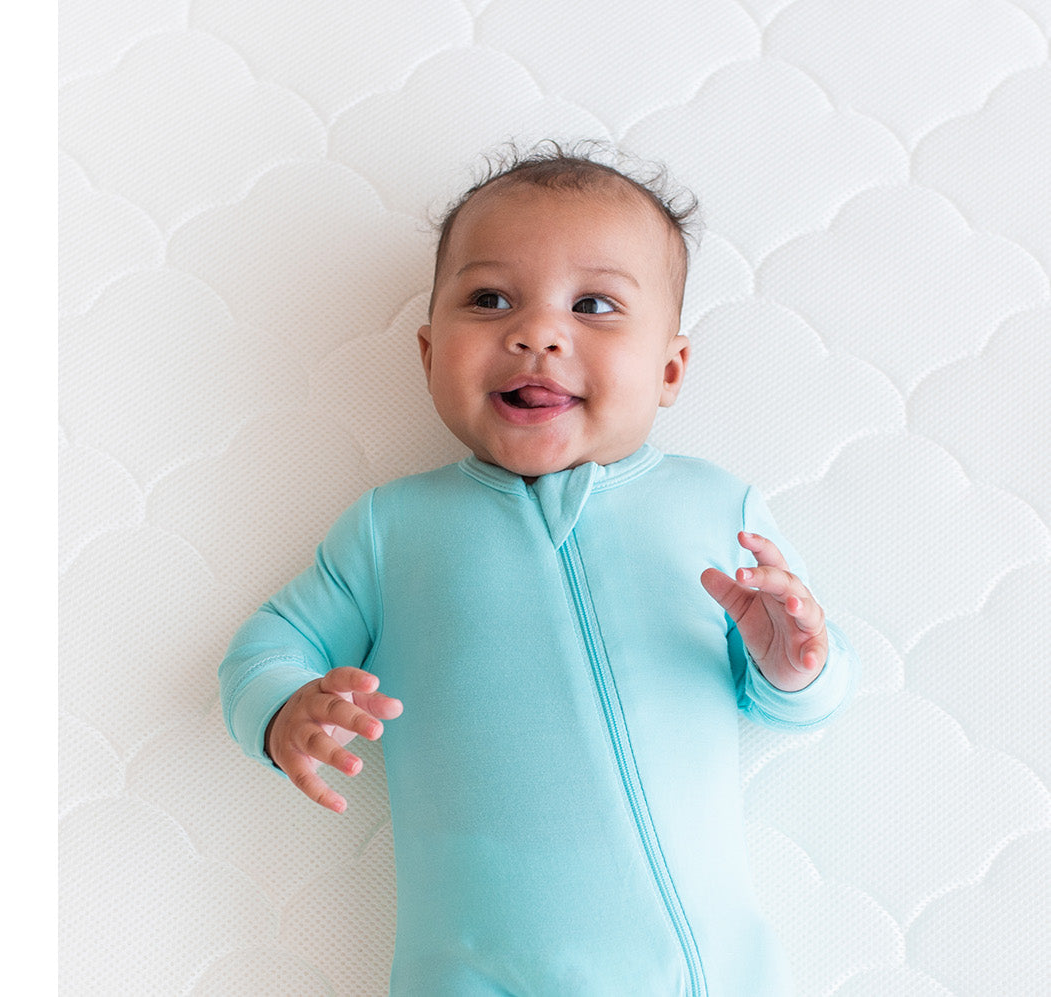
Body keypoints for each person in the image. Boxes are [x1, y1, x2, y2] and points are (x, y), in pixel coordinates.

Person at [218, 142, 857, 996]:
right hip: (471, 968)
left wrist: (793, 666)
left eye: (593, 304)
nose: (536, 332)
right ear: (427, 352)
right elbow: (264, 647)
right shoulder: (394, 526)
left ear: (669, 368)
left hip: (700, 966)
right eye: (488, 300)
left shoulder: (715, 508)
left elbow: (794, 697)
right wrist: (283, 709)